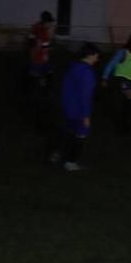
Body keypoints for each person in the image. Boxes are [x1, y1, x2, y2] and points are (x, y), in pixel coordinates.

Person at [48, 43, 102, 171]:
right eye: (96, 56)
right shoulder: (87, 73)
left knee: (68, 132)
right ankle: (71, 163)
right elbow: (85, 97)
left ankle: (57, 153)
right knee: (81, 135)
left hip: (66, 108)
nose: (97, 59)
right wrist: (86, 116)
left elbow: (65, 87)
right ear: (90, 56)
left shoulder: (72, 67)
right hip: (78, 111)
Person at [26, 11, 56, 97]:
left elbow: (45, 43)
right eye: (49, 22)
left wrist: (46, 47)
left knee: (47, 76)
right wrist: (42, 48)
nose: (50, 24)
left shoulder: (41, 28)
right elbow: (33, 42)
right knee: (38, 79)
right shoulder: (38, 29)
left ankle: (42, 89)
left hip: (40, 59)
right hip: (37, 60)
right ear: (45, 22)